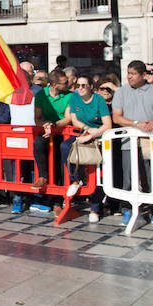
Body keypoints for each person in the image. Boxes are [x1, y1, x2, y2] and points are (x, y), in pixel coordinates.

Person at [111, 60, 153, 228]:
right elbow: (117, 117)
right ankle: (127, 210)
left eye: (133, 74)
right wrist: (135, 124)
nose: (129, 77)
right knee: (128, 177)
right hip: (129, 141)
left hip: (152, 140)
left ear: (144, 75)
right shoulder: (121, 92)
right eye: (128, 73)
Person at [61, 75, 112, 222]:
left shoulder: (99, 100)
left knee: (98, 171)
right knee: (65, 146)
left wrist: (92, 134)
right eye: (78, 85)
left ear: (91, 87)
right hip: (83, 132)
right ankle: (75, 180)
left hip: (99, 135)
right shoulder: (74, 97)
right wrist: (87, 129)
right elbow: (74, 119)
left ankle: (95, 207)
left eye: (84, 85)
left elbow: (107, 124)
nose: (81, 88)